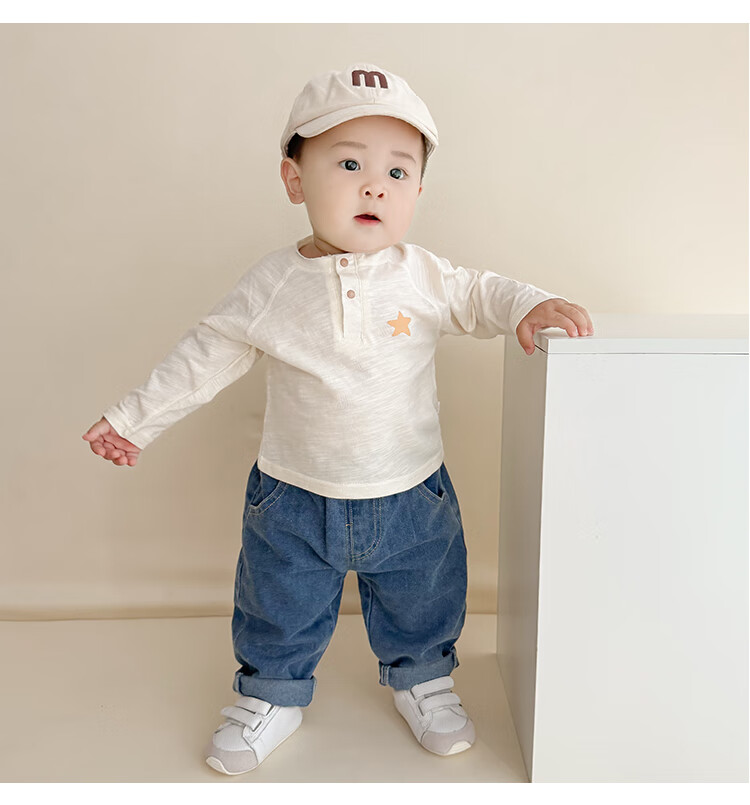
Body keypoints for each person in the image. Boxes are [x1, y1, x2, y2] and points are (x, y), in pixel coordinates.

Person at [82, 64, 594, 775]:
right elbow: (205, 354)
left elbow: (485, 293)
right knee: (277, 602)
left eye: (397, 171)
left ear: (417, 191)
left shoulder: (422, 274)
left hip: (411, 490)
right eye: (349, 164)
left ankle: (424, 679)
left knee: (424, 595)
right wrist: (133, 420)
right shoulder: (272, 283)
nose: (374, 186)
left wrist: (531, 303)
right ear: (294, 180)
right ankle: (270, 693)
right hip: (292, 494)